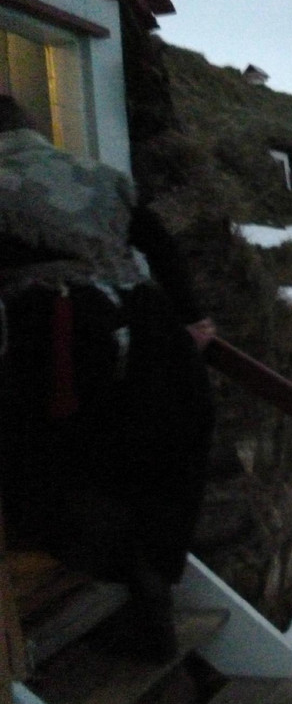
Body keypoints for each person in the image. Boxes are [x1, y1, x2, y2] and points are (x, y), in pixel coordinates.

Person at [0, 94, 214, 660]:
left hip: (59, 340)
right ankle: (150, 596)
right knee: (146, 465)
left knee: (49, 471)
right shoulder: (98, 175)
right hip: (145, 332)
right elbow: (157, 243)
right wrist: (191, 317)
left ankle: (120, 572)